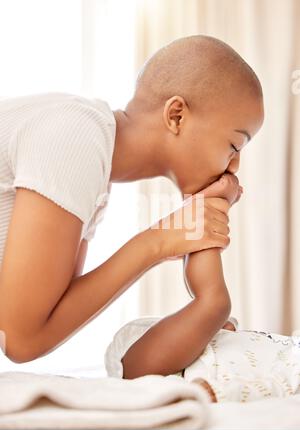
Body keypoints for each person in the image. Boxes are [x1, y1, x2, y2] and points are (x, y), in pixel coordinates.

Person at [0, 34, 263, 364]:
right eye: (235, 145)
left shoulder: (93, 168)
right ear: (177, 115)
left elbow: (50, 314)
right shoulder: (76, 136)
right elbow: (21, 339)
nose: (235, 166)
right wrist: (155, 243)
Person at [105, 175, 300, 403]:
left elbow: (278, 387)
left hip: (176, 370)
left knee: (214, 303)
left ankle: (209, 207)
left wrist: (220, 392)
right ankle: (204, 212)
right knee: (211, 305)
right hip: (184, 348)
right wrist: (226, 333)